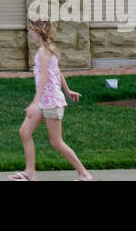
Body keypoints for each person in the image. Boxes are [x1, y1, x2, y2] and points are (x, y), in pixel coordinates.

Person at [12, 18, 93, 181]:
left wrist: (34, 103)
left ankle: (84, 174)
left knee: (56, 142)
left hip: (51, 103)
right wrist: (68, 90)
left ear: (38, 31)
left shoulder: (44, 51)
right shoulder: (47, 49)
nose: (30, 33)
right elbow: (57, 72)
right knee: (24, 132)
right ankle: (29, 172)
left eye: (31, 29)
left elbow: (43, 77)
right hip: (44, 101)